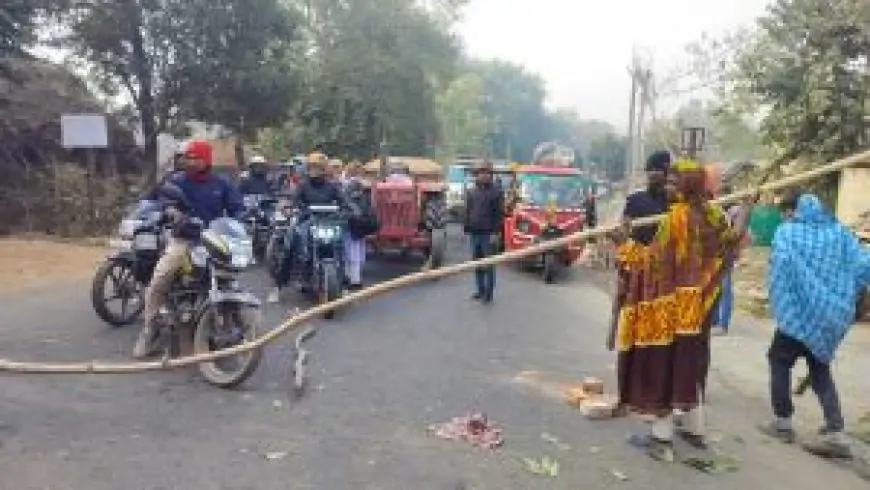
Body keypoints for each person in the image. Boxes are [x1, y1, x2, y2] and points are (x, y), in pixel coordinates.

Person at [609, 158, 752, 460]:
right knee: (690, 365)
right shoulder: (715, 214)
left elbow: (651, 265)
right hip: (699, 309)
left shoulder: (677, 219)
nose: (668, 187)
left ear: (688, 185)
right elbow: (733, 241)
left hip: (673, 310)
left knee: (664, 364)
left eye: (675, 183)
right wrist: (746, 209)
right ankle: (695, 430)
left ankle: (662, 441)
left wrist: (623, 243)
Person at [760, 190, 870, 459]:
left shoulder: (788, 233)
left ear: (793, 210)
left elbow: (779, 266)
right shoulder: (840, 233)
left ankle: (783, 422)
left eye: (787, 212)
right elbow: (863, 265)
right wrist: (845, 296)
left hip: (798, 316)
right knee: (820, 369)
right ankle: (836, 432)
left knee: (779, 360)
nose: (786, 218)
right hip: (831, 315)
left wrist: (784, 299)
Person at [133, 139, 245, 359]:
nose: (190, 161)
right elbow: (164, 202)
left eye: (195, 157)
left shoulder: (222, 183)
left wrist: (243, 219)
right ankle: (150, 330)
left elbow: (236, 208)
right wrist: (171, 213)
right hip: (184, 240)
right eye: (188, 158)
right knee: (160, 278)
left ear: (206, 159)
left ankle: (231, 320)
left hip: (215, 239)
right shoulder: (177, 181)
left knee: (230, 277)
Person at [268, 152, 347, 302]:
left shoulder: (332, 186)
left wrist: (346, 210)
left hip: (327, 222)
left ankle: (343, 283)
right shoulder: (303, 185)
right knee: (289, 247)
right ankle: (277, 287)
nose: (314, 170)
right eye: (311, 167)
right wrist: (292, 208)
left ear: (324, 169)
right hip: (305, 221)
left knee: (340, 247)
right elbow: (295, 200)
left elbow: (343, 202)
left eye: (317, 167)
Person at [464, 160, 504, 304]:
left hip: (488, 234)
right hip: (474, 233)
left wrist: (496, 233)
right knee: (477, 264)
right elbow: (468, 211)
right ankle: (480, 290)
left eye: (486, 173)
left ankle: (488, 294)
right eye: (480, 173)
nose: (483, 175)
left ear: (490, 175)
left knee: (488, 264)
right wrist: (466, 228)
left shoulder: (496, 192)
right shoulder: (472, 192)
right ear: (476, 175)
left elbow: (499, 214)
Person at [342, 161, 377, 290]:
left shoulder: (346, 185)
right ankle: (355, 278)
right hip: (360, 221)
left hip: (349, 221)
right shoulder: (362, 186)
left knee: (348, 249)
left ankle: (351, 278)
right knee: (358, 248)